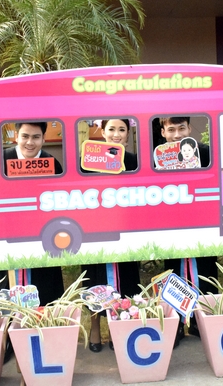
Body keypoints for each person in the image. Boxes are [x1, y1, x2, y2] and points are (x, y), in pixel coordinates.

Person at [80, 118, 141, 352]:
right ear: (102, 131)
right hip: (95, 229)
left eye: (122, 130)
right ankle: (95, 329)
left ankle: (121, 328)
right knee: (94, 279)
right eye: (111, 129)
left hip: (126, 228)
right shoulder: (88, 159)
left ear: (128, 133)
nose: (116, 134)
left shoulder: (135, 161)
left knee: (127, 278)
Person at [157, 116, 217, 346]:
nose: (177, 135)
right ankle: (178, 323)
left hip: (202, 219)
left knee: (206, 268)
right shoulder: (157, 156)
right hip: (170, 222)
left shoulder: (206, 152)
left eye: (181, 128)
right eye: (171, 129)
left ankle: (203, 321)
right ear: (163, 132)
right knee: (173, 270)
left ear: (189, 128)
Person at [0, 122, 64, 305]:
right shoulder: (0, 160)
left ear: (44, 138)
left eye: (36, 137)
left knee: (46, 290)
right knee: (8, 290)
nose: (30, 142)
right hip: (9, 236)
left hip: (43, 237)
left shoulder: (52, 164)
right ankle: (11, 323)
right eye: (25, 136)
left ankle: (46, 321)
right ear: (16, 136)